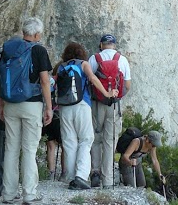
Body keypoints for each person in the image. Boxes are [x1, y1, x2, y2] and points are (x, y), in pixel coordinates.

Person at [0, 18, 53, 205]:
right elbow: (45, 81)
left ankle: (8, 193)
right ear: (37, 35)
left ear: (24, 32)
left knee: (11, 149)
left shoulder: (9, 48)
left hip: (11, 103)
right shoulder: (39, 50)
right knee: (29, 150)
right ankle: (29, 194)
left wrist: (1, 105)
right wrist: (49, 108)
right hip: (32, 104)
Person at [58, 42, 119, 190]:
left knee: (69, 142)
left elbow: (53, 83)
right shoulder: (83, 64)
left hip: (64, 107)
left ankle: (71, 177)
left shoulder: (61, 66)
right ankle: (81, 176)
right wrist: (107, 93)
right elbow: (92, 78)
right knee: (86, 139)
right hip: (82, 105)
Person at [89, 34, 132, 188]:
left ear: (101, 45)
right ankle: (107, 180)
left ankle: (95, 172)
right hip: (114, 105)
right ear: (114, 45)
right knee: (109, 141)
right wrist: (117, 96)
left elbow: (90, 81)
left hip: (97, 104)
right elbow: (127, 86)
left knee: (95, 137)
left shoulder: (94, 59)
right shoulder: (122, 60)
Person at [44, 61, 63, 180]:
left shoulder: (50, 80)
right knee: (64, 145)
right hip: (60, 114)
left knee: (50, 145)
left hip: (47, 113)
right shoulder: (65, 80)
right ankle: (64, 172)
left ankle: (50, 172)